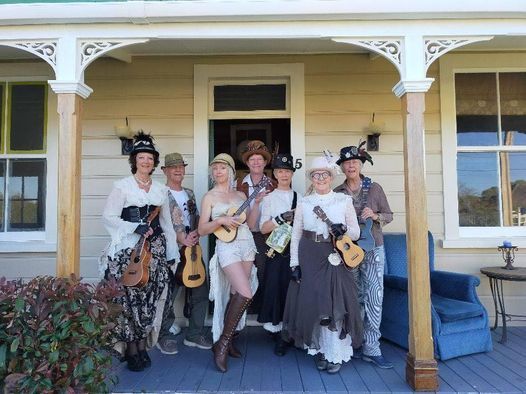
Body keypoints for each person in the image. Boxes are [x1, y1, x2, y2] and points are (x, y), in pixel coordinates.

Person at [100, 132, 179, 372]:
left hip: (154, 250)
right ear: (134, 160)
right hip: (127, 250)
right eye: (141, 157)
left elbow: (166, 224)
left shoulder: (161, 190)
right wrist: (135, 226)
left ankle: (143, 346)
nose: (146, 161)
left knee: (149, 299)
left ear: (155, 162)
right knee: (128, 301)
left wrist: (172, 253)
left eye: (150, 158)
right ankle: (131, 349)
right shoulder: (122, 187)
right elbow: (109, 217)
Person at [282, 155, 363, 374]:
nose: (320, 178)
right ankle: (319, 350)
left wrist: (343, 230)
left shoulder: (343, 201)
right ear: (312, 178)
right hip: (309, 254)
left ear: (330, 177)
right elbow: (296, 235)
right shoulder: (304, 203)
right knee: (313, 302)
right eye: (315, 175)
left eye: (324, 174)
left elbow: (356, 231)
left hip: (335, 252)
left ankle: (335, 353)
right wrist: (294, 264)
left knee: (335, 301)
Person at [333, 143, 394, 369]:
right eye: (346, 163)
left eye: (355, 162)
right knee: (353, 296)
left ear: (361, 164)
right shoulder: (337, 193)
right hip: (348, 251)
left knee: (374, 296)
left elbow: (389, 215)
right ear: (342, 167)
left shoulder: (375, 188)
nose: (351, 166)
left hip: (373, 247)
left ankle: (372, 347)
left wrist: (375, 215)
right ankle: (355, 342)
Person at [198, 153, 258, 373]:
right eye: (215, 168)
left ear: (231, 171)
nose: (218, 172)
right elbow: (202, 229)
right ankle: (222, 344)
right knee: (246, 292)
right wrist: (221, 220)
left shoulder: (241, 195)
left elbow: (250, 224)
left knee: (236, 294)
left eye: (222, 168)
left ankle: (229, 340)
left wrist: (257, 204)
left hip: (246, 244)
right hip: (227, 247)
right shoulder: (209, 197)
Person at [156, 152, 213, 355]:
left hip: (193, 250)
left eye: (181, 166)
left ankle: (195, 334)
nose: (178, 170)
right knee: (169, 294)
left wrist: (198, 232)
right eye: (173, 167)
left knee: (200, 290)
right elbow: (158, 224)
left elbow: (196, 218)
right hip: (171, 251)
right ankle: (163, 335)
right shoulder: (160, 193)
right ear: (165, 170)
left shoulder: (189, 193)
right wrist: (180, 238)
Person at [255, 153, 300, 356]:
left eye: (287, 171)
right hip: (277, 250)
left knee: (294, 292)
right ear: (274, 174)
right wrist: (281, 218)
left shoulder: (301, 198)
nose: (284, 174)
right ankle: (279, 334)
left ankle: (293, 331)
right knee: (277, 290)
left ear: (292, 174)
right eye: (280, 171)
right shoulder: (269, 199)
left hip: (297, 249)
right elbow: (263, 228)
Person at [237, 140, 276, 312]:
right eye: (252, 159)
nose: (256, 162)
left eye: (260, 159)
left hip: (265, 235)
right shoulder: (239, 184)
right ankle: (244, 309)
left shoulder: (273, 184)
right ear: (247, 163)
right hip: (244, 234)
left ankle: (260, 308)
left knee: (263, 272)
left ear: (265, 162)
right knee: (244, 273)